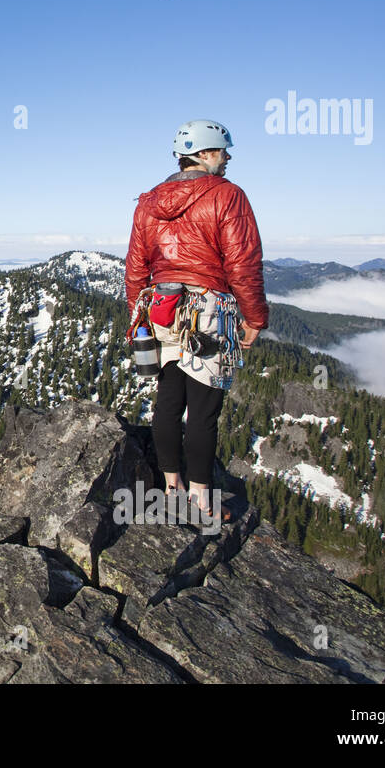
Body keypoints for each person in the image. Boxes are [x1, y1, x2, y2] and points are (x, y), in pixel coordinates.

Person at [125, 120, 270, 523]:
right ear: (205, 154)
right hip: (209, 311)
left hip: (162, 308)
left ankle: (173, 490)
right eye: (223, 151)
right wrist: (255, 317)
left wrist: (135, 317)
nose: (227, 158)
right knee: (203, 409)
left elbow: (136, 266)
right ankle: (202, 502)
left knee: (169, 401)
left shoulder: (149, 202)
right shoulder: (227, 196)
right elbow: (242, 264)